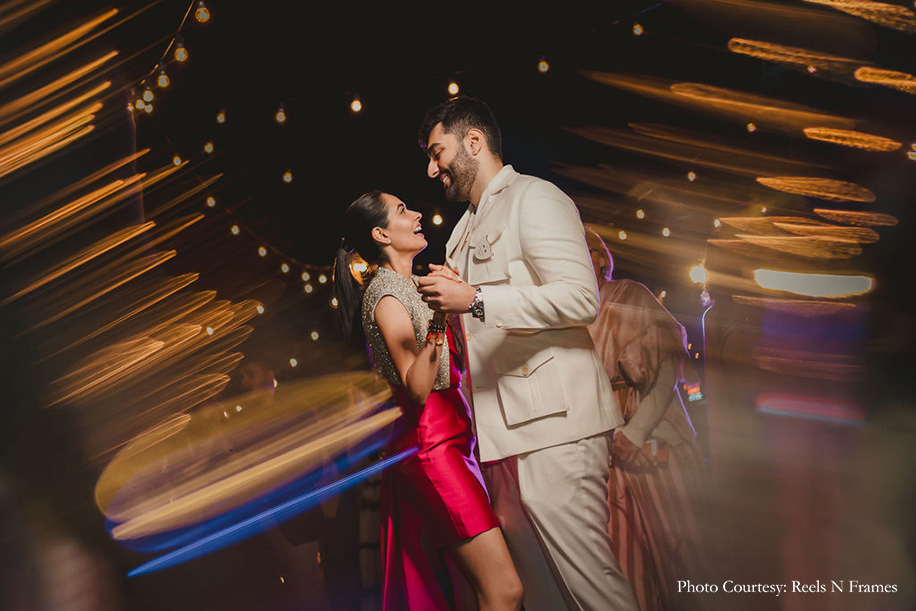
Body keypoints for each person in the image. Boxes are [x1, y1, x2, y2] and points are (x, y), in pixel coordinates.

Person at [416, 96, 638, 611]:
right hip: (501, 437)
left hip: (557, 425)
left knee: (591, 587)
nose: (432, 169)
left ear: (474, 142)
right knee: (544, 595)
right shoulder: (458, 236)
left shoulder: (535, 197)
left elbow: (582, 298)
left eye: (437, 151)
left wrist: (474, 298)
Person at [333, 190, 523, 611]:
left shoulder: (410, 285)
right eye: (403, 210)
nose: (417, 213)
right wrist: (441, 315)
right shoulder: (384, 295)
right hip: (431, 447)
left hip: (453, 441)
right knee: (504, 590)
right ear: (381, 233)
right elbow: (416, 386)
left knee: (475, 589)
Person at [584, 226, 709, 611]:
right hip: (611, 459)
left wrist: (636, 432)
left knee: (681, 553)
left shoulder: (629, 295)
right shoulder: (573, 316)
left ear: (600, 259)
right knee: (627, 567)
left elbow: (669, 363)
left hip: (656, 443)